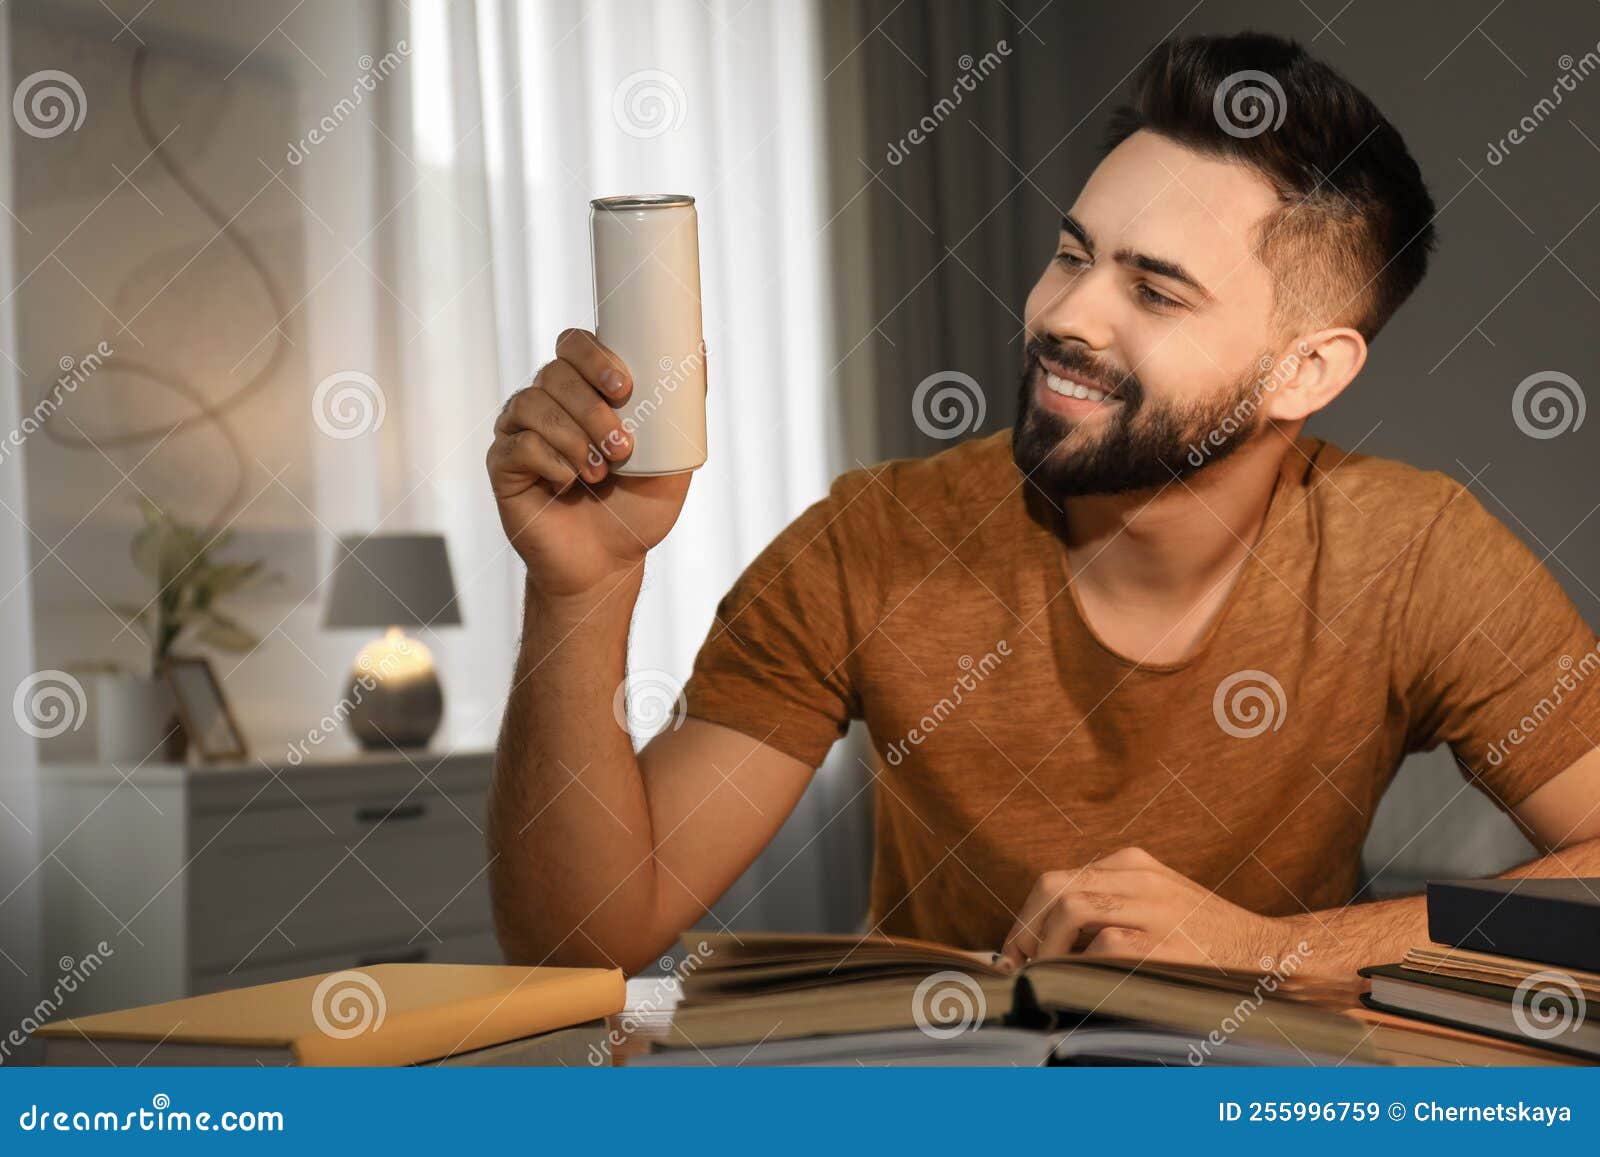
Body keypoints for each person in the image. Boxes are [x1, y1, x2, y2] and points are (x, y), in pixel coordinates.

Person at [483, 32, 1600, 979]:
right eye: (1072, 255)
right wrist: (583, 587)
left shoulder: (1410, 553)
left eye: (1153, 289)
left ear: (1303, 372)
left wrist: (1270, 950)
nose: (1066, 313)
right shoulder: (870, 539)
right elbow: (578, 943)